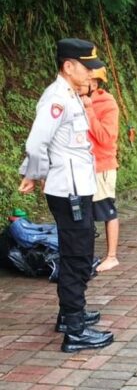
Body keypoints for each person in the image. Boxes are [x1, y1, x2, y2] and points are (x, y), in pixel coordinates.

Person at [17, 38, 114, 353]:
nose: (91, 74)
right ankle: (75, 331)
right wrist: (33, 173)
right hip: (69, 190)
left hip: (76, 187)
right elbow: (36, 143)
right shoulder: (57, 98)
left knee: (78, 251)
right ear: (68, 66)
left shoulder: (70, 94)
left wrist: (35, 173)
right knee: (77, 256)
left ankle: (69, 314)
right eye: (87, 68)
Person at [84, 67, 121, 272]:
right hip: (83, 167)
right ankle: (85, 256)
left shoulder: (107, 104)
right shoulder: (76, 100)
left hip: (102, 167)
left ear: (94, 83)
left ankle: (112, 256)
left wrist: (89, 110)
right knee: (85, 214)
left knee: (106, 210)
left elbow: (105, 137)